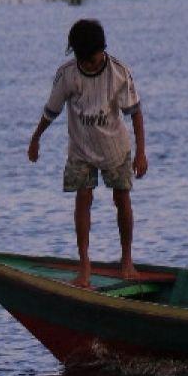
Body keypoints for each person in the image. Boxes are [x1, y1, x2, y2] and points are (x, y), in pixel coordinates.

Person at [28, 19, 148, 287]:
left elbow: (135, 114)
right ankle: (84, 265)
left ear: (102, 50)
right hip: (80, 148)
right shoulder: (67, 74)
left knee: (122, 199)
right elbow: (52, 111)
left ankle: (126, 259)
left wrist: (141, 153)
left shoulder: (119, 72)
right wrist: (35, 138)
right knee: (83, 198)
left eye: (94, 59)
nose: (90, 65)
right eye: (85, 61)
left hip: (115, 148)